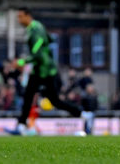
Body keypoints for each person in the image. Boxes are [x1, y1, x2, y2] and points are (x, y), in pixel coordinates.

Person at [7, 8, 92, 136]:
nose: (19, 20)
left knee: (52, 100)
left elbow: (38, 54)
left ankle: (83, 114)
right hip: (40, 69)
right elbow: (49, 40)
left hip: (46, 71)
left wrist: (20, 62)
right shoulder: (34, 28)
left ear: (28, 16)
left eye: (20, 16)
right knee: (29, 96)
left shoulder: (36, 29)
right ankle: (21, 125)